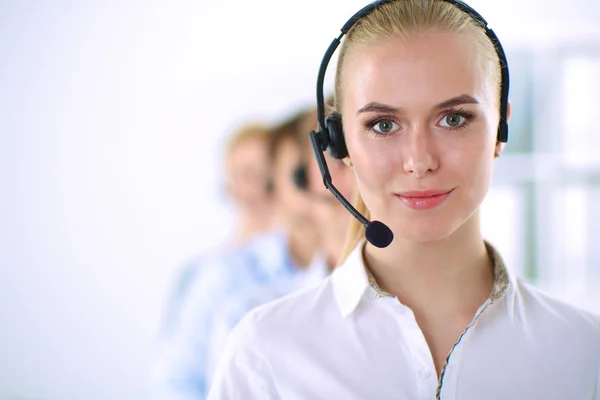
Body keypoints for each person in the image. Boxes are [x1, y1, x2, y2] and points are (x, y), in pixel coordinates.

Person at [207, 1, 600, 399]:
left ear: (501, 128)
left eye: (453, 119)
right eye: (383, 125)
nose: (419, 161)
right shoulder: (265, 357)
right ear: (338, 143)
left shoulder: (583, 352)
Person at [150, 109, 329, 399]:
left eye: (263, 175)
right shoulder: (220, 276)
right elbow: (174, 381)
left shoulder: (334, 264)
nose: (259, 188)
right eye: (246, 175)